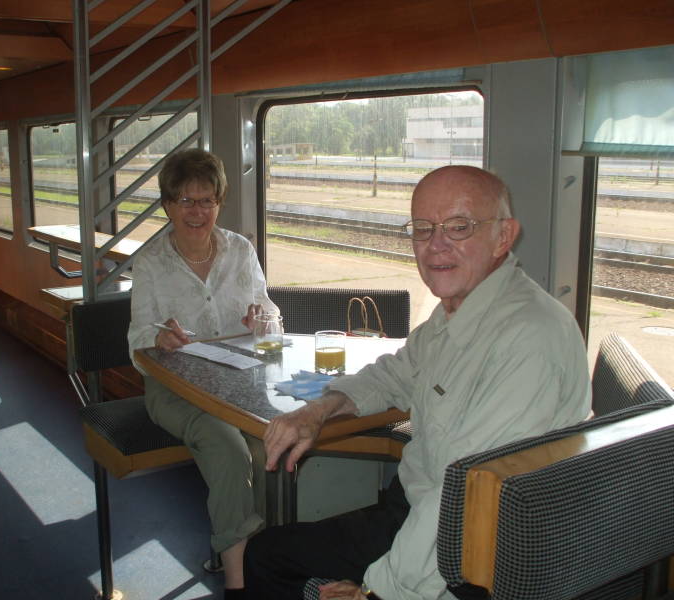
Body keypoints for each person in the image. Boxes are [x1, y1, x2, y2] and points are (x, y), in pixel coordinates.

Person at [243, 165, 592, 600]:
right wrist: (319, 410)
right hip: (418, 508)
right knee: (273, 551)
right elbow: (398, 370)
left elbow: (461, 503)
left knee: (266, 558)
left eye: (458, 227)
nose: (435, 245)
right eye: (423, 229)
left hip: (475, 558)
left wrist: (376, 593)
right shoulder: (459, 311)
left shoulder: (528, 340)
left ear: (504, 236)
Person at [127, 148, 278, 599]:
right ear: (168, 205)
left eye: (207, 201)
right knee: (230, 448)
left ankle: (270, 556)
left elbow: (270, 309)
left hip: (238, 380)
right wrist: (159, 341)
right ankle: (238, 584)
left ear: (220, 202)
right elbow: (136, 342)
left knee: (278, 439)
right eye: (186, 201)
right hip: (174, 387)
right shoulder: (151, 262)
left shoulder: (241, 249)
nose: (198, 211)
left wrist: (262, 321)